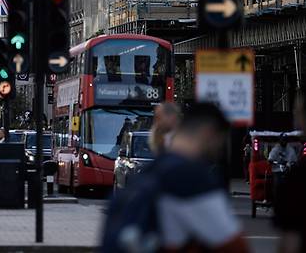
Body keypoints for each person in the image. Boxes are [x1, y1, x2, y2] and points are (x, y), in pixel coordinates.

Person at [102, 103, 248, 252]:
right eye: (219, 144)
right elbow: (234, 245)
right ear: (208, 133)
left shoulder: (148, 173)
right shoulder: (194, 178)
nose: (218, 151)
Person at [274, 91, 306, 253]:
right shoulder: (276, 149)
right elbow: (271, 159)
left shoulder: (297, 180)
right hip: (279, 169)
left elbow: (289, 244)